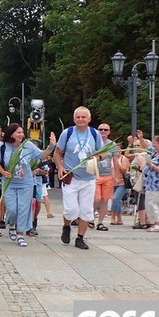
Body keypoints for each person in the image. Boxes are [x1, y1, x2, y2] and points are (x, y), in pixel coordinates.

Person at [0, 123, 54, 247]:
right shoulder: (3, 147)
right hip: (9, 183)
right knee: (12, 208)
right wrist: (3, 172)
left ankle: (20, 234)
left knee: (23, 209)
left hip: (26, 183)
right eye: (18, 132)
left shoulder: (28, 145)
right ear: (11, 134)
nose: (21, 135)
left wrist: (51, 146)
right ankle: (11, 224)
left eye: (22, 132)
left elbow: (41, 155)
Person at [53, 107, 105, 250]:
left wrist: (98, 157)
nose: (81, 120)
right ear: (74, 118)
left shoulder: (94, 134)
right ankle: (66, 226)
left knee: (86, 210)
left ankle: (80, 238)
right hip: (71, 177)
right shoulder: (67, 133)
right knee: (71, 210)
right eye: (78, 117)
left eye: (83, 117)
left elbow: (103, 153)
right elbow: (57, 153)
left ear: (89, 119)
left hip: (89, 178)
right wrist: (60, 167)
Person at [139, 135, 159, 232]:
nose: (154, 144)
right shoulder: (155, 152)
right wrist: (141, 138)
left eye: (155, 143)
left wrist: (151, 165)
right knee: (155, 203)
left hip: (156, 183)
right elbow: (145, 147)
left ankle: (157, 223)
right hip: (150, 182)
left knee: (151, 202)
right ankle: (157, 222)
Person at [94, 123, 118, 232]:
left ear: (109, 132)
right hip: (95, 175)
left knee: (105, 200)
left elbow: (115, 160)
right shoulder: (94, 143)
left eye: (105, 130)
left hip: (108, 175)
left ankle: (100, 222)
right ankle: (89, 218)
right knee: (96, 199)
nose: (103, 131)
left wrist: (116, 176)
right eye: (101, 129)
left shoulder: (112, 145)